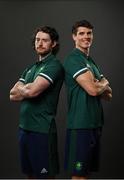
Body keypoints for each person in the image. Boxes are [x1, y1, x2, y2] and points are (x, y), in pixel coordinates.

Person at [10, 26, 64, 179]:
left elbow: (32, 91)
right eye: (37, 40)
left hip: (42, 131)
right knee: (30, 175)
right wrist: (27, 89)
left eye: (45, 40)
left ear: (53, 44)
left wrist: (26, 88)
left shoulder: (54, 65)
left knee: (44, 176)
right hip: (24, 129)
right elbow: (12, 94)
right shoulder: (31, 68)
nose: (40, 43)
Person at [63, 20, 112, 179]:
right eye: (82, 33)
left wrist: (101, 86)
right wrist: (103, 83)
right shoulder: (73, 59)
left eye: (89, 33)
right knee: (79, 175)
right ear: (74, 37)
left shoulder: (90, 62)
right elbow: (93, 90)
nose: (86, 37)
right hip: (80, 125)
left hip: (95, 124)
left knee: (87, 173)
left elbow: (109, 95)